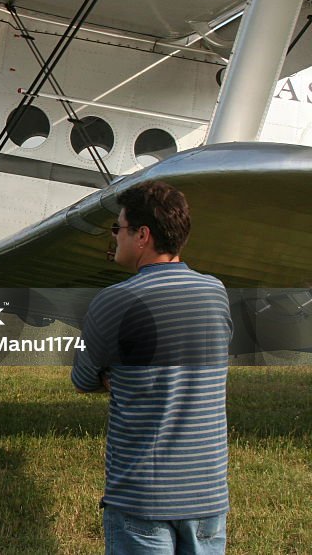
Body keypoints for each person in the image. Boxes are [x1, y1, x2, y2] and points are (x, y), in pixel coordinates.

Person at [71, 181, 232, 554]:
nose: (115, 237)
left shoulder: (113, 301)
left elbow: (83, 380)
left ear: (142, 236)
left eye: (118, 228)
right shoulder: (216, 291)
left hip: (142, 497)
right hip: (208, 495)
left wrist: (120, 378)